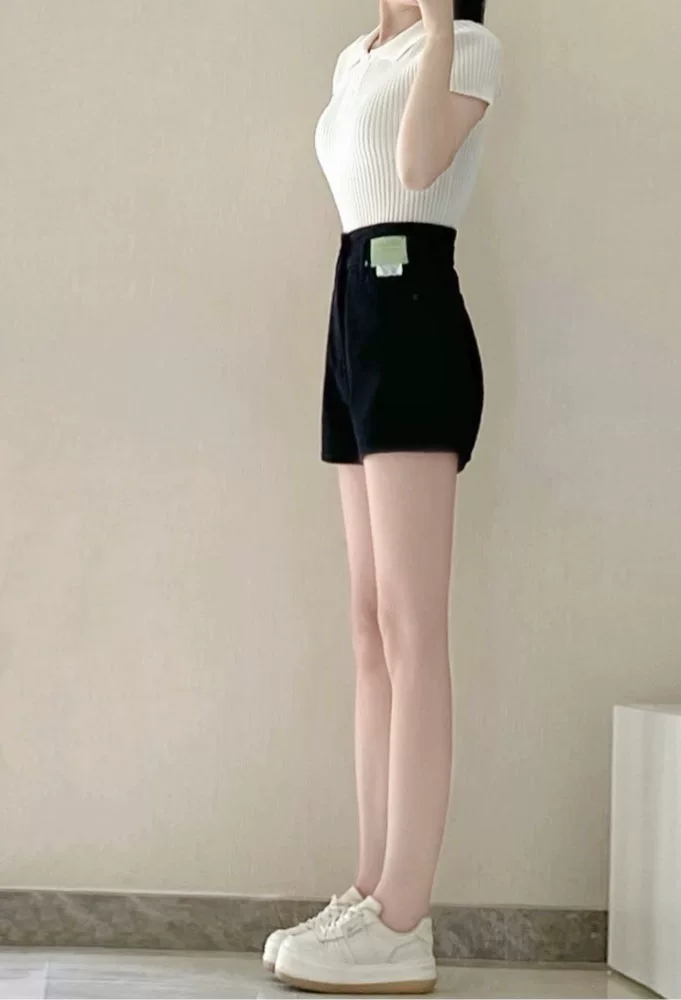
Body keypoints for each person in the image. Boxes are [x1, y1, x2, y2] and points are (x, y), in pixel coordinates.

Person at [264, 0, 502, 993]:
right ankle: (368, 892)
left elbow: (413, 168)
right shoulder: (355, 58)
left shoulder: (471, 49)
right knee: (367, 629)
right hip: (354, 315)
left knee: (412, 628)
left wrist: (438, 28)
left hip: (413, 316)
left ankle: (405, 917)